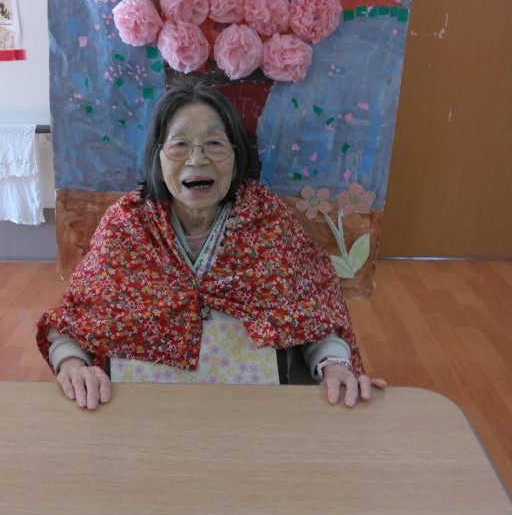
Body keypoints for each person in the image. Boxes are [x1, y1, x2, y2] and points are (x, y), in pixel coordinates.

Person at [36, 79, 386, 409]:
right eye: (179, 144)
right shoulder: (126, 226)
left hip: (252, 412)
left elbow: (314, 316)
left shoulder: (268, 222)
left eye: (215, 144)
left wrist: (334, 365)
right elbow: (72, 322)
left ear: (236, 155)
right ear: (158, 155)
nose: (197, 159)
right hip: (142, 413)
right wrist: (72, 365)